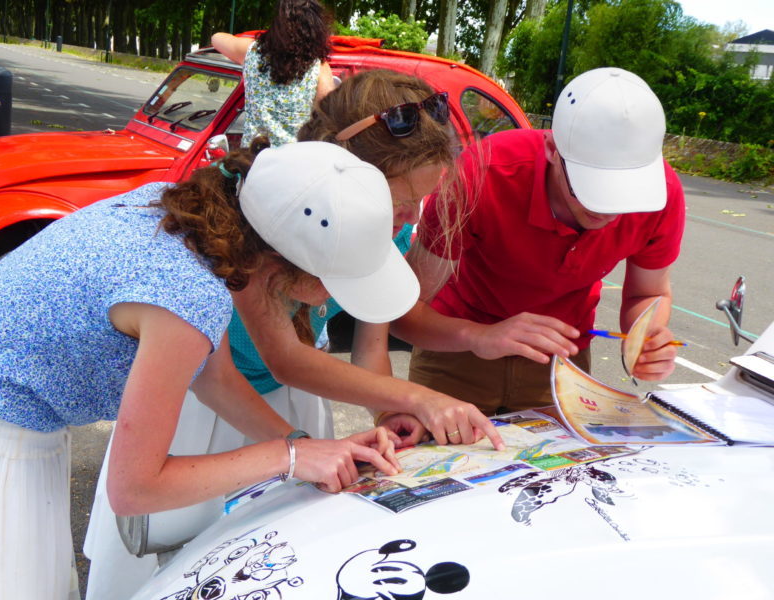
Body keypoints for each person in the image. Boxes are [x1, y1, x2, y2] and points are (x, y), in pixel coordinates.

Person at [83, 70, 504, 600]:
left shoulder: (356, 222)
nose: (411, 216)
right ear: (354, 174)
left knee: (277, 565)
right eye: (404, 199)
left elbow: (370, 345)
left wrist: (386, 415)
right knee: (176, 568)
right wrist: (420, 398)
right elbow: (280, 358)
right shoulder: (262, 221)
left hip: (273, 407)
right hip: (197, 405)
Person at [0, 140, 410, 600]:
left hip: (10, 422)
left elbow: (216, 379)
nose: (331, 300)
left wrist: (308, 447)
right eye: (337, 283)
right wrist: (291, 459)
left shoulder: (187, 224)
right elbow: (136, 488)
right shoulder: (188, 294)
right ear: (287, 263)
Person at [389, 67, 687, 416]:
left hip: (561, 365)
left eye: (625, 197)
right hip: (456, 351)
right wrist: (479, 337)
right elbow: (403, 312)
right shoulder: (482, 173)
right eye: (588, 190)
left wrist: (646, 339)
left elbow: (647, 293)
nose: (607, 213)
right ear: (551, 150)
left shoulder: (661, 195)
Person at [210, 0, 335, 146]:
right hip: (293, 161)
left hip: (253, 158)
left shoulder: (252, 51)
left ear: (277, 23)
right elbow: (330, 118)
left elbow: (216, 38)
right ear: (317, 28)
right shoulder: (319, 67)